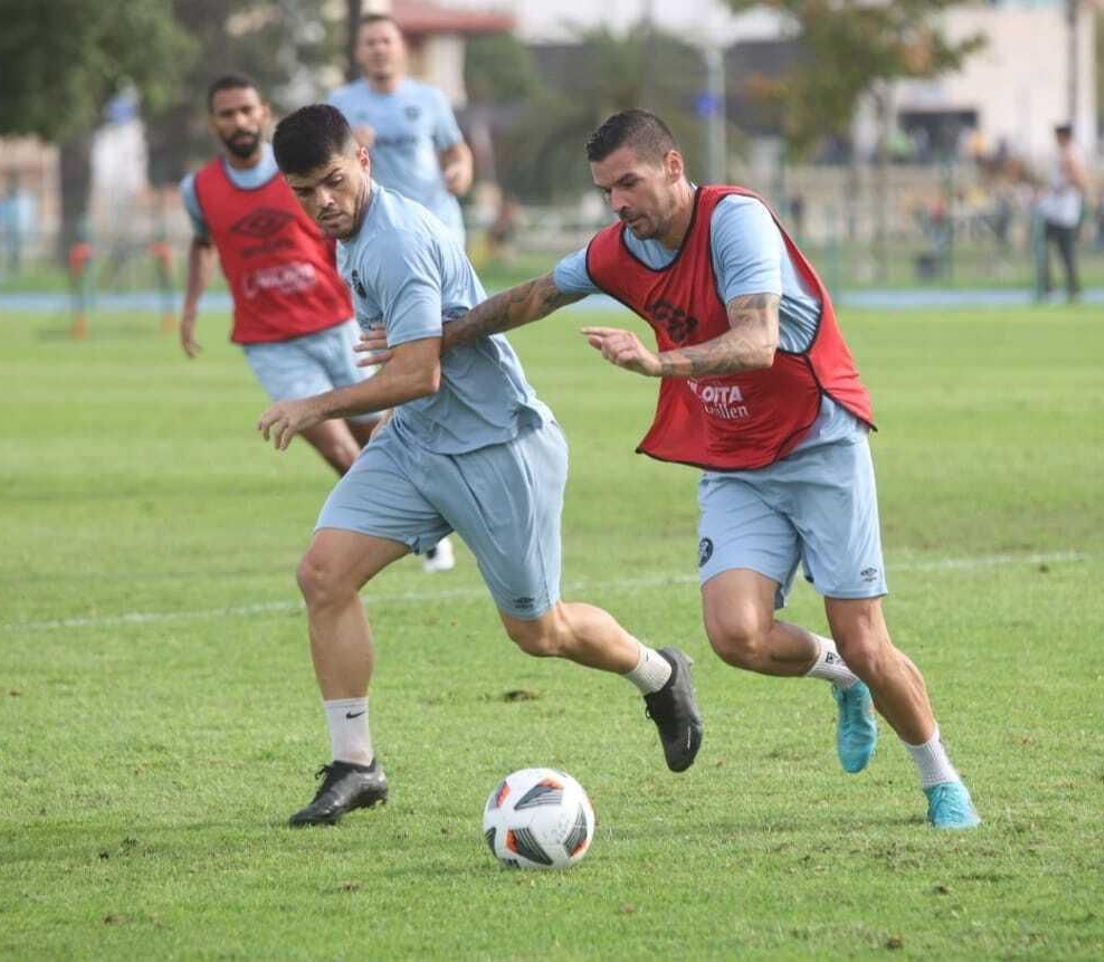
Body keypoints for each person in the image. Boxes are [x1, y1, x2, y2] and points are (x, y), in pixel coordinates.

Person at [363, 109, 981, 829]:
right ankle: (837, 676)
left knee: (868, 640)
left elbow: (756, 342)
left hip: (818, 443)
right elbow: (533, 296)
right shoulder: (617, 250)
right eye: (605, 192)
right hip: (734, 456)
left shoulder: (735, 222)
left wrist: (659, 363)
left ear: (674, 167)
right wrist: (436, 339)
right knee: (736, 638)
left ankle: (941, 780)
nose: (619, 203)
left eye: (629, 183)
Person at [260, 104, 703, 827]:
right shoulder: (353, 231)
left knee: (539, 633)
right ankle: (356, 764)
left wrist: (315, 406)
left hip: (499, 448)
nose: (323, 203)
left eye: (334, 182)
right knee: (323, 574)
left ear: (363, 160)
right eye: (304, 192)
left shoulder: (395, 242)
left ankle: (660, 674)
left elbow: (417, 375)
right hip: (419, 443)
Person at [179, 74, 454, 573]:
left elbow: (356, 236)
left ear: (262, 111)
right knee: (333, 444)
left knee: (380, 434)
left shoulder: (312, 172)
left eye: (246, 109)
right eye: (227, 113)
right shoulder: (198, 190)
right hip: (269, 341)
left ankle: (423, 516)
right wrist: (191, 308)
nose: (238, 121)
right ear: (212, 122)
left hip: (335, 322)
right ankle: (399, 530)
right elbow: (202, 245)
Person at [327, 14, 473, 248]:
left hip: (437, 220)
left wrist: (461, 170)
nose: (379, 49)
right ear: (358, 52)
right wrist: (349, 146)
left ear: (401, 47)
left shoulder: (430, 98)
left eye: (386, 41)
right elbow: (327, 166)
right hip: (380, 227)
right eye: (371, 43)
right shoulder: (341, 101)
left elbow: (455, 149)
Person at [1036, 122, 1085, 303]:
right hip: (1056, 211)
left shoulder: (1071, 153)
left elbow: (1079, 180)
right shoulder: (1065, 153)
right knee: (1047, 248)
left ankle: (1071, 288)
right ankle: (1051, 286)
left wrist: (1062, 186)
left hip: (1063, 213)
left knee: (1065, 252)